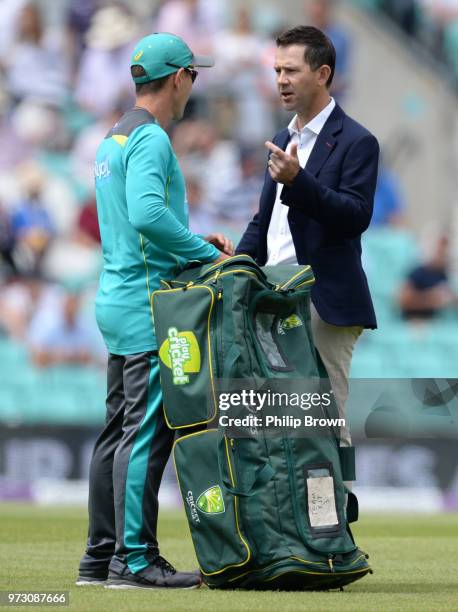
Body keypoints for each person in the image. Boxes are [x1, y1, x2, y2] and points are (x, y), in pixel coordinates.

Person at [77, 32, 232, 590]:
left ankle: (98, 558)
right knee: (145, 433)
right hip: (146, 305)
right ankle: (133, 560)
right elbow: (146, 214)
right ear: (178, 77)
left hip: (116, 297)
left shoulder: (110, 140)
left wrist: (188, 239)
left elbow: (133, 224)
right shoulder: (152, 140)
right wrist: (202, 251)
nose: (195, 84)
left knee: (116, 430)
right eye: (194, 74)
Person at [236, 26, 379, 448]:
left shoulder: (357, 141)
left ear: (322, 74)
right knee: (281, 424)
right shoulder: (281, 139)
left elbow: (355, 216)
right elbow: (267, 222)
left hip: (322, 301)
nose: (280, 80)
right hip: (273, 295)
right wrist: (234, 261)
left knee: (323, 420)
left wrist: (299, 181)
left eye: (291, 70)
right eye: (277, 70)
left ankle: (334, 511)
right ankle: (294, 514)